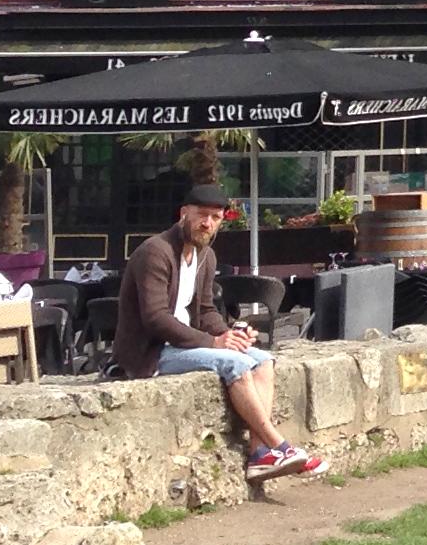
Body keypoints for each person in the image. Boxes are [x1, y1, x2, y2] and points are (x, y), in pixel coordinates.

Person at [116, 187, 323, 480]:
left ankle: (260, 453)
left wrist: (230, 335)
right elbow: (155, 318)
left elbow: (205, 309)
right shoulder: (156, 252)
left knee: (262, 360)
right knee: (235, 364)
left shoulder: (205, 256)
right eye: (202, 215)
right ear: (183, 213)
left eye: (215, 218)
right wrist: (214, 342)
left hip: (185, 345)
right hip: (151, 352)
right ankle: (280, 445)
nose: (208, 224)